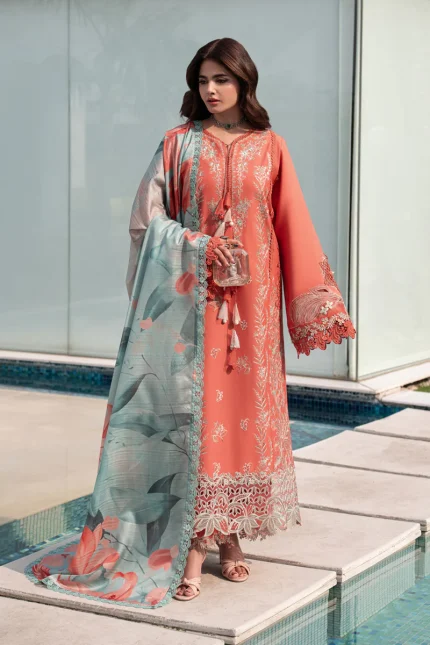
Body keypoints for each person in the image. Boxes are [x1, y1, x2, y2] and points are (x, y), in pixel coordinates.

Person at [24, 37, 355, 608]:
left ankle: (230, 535)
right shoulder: (177, 144)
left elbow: (292, 225)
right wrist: (197, 247)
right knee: (196, 419)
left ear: (244, 82)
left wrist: (316, 307)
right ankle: (192, 544)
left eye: (222, 79)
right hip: (189, 310)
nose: (211, 89)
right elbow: (145, 221)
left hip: (251, 313)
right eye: (203, 80)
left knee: (243, 419)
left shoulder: (270, 148)